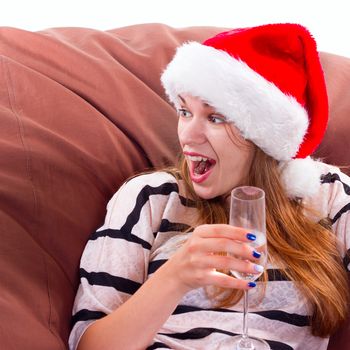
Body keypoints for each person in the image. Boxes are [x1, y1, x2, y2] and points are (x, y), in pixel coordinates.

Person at [68, 23, 350, 350]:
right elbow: (89, 345)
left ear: (261, 136)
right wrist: (175, 277)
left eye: (215, 118)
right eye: (185, 111)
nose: (187, 135)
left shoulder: (327, 195)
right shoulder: (151, 196)